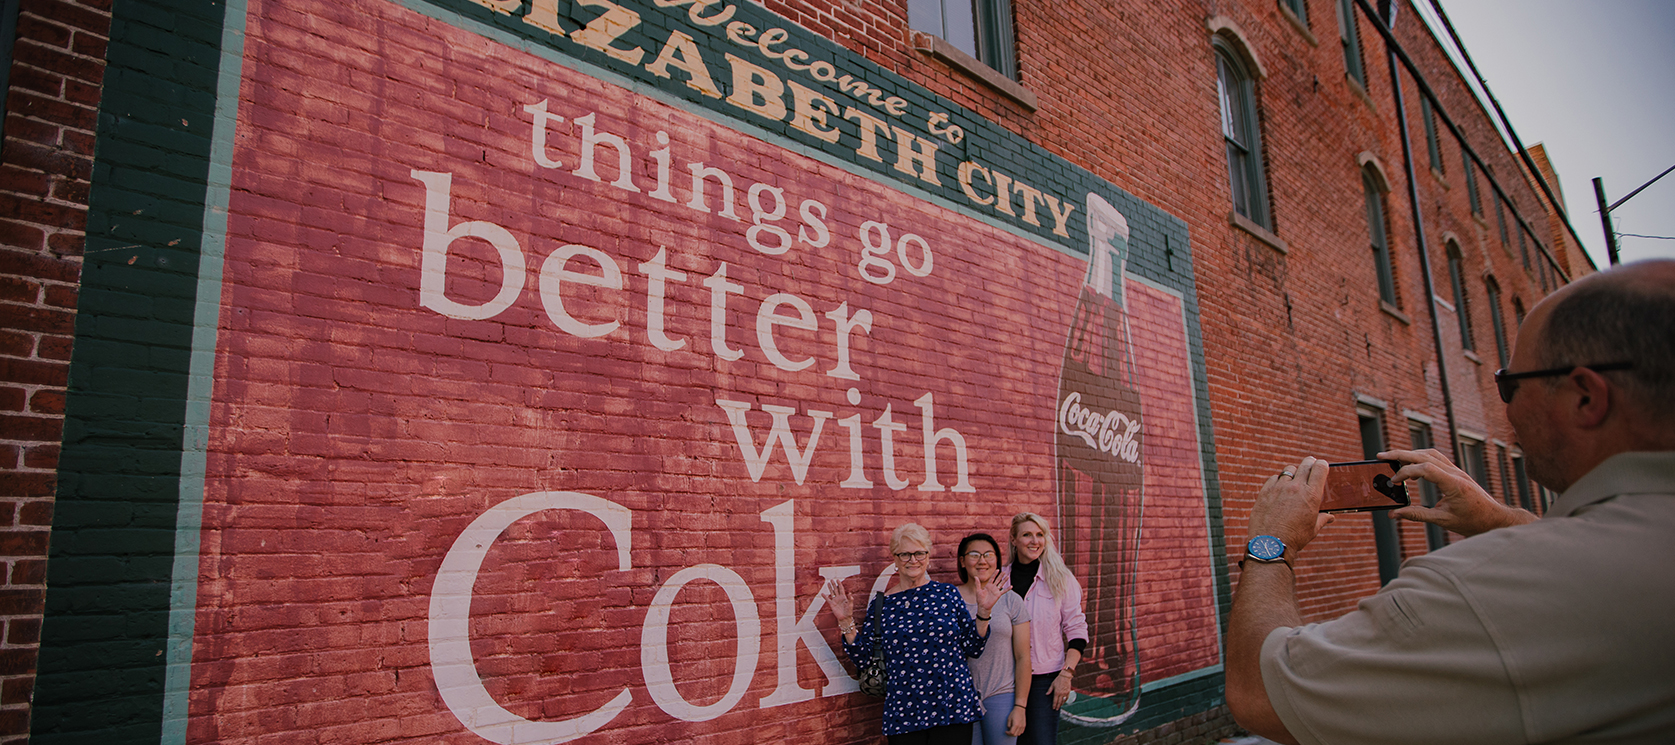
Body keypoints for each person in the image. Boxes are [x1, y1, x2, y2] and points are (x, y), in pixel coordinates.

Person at [1227, 258, 1675, 745]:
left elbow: (1261, 693)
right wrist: (1500, 521)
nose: (1507, 408)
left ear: (1586, 396)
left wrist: (1271, 544)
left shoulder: (1483, 591)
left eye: (1510, 384)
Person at [825, 523, 1001, 745]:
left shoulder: (947, 594)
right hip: (905, 711)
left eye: (919, 553)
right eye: (905, 554)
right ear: (895, 559)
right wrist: (845, 621)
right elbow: (864, 658)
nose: (913, 560)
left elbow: (973, 647)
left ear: (928, 556)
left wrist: (983, 613)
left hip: (952, 704)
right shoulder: (882, 605)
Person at [1004, 512, 1089, 745]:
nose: (1035, 540)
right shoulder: (1000, 580)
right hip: (1005, 679)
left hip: (1045, 680)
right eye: (1027, 535)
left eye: (1040, 534)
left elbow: (1077, 631)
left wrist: (1066, 674)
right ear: (1013, 539)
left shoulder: (1061, 579)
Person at [955, 533, 1031, 745]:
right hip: (960, 697)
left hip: (1002, 694)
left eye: (988, 554)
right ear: (962, 560)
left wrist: (1020, 706)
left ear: (997, 560)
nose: (982, 560)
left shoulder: (1011, 600)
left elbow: (1024, 656)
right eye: (974, 554)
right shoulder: (949, 599)